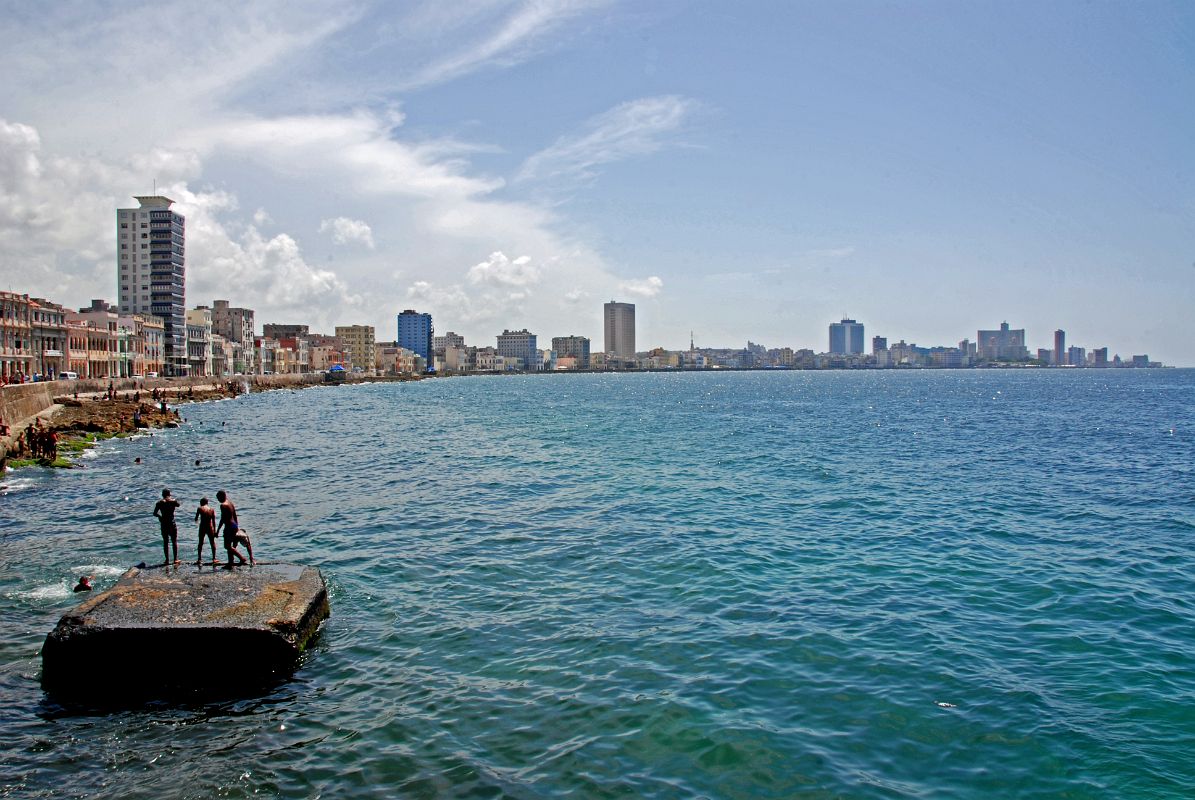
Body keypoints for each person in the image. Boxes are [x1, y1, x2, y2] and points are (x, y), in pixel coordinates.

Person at [216, 489, 254, 566]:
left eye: (218, 498)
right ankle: (230, 563)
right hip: (234, 525)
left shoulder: (223, 505)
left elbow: (222, 519)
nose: (218, 500)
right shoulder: (230, 503)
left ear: (222, 496)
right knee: (229, 544)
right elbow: (235, 516)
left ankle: (242, 558)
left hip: (229, 526)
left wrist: (218, 530)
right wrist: (236, 526)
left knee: (227, 546)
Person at [153, 488, 181, 565]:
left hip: (164, 523)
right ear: (169, 494)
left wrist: (160, 517)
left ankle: (167, 560)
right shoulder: (173, 501)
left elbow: (154, 513)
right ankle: (175, 559)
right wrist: (173, 500)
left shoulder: (159, 503)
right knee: (174, 541)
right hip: (172, 523)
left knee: (165, 542)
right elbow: (178, 505)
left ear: (162, 495)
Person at [195, 497, 218, 564]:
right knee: (212, 542)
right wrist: (215, 531)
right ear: (207, 503)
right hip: (210, 527)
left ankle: (199, 559)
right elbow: (213, 521)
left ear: (201, 503)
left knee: (200, 543)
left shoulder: (200, 508)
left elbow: (196, 518)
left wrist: (197, 521)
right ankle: (214, 558)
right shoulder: (212, 509)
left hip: (202, 527)